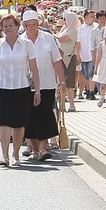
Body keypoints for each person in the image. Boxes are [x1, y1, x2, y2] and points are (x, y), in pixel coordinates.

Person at [0, 13, 40, 167]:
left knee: (19, 123)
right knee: (4, 122)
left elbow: (34, 69)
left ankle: (16, 154)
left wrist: (37, 91)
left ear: (17, 27)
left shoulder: (27, 44)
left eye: (11, 25)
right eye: (5, 26)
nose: (8, 28)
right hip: (3, 87)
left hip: (22, 87)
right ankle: (4, 154)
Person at [22, 10, 64, 161]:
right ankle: (34, 148)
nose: (32, 27)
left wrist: (62, 81)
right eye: (29, 25)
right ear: (24, 26)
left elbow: (57, 60)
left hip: (47, 83)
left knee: (44, 114)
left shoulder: (48, 38)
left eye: (34, 24)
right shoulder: (21, 40)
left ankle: (43, 147)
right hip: (27, 84)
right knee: (30, 116)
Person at [55, 11, 79, 111]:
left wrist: (52, 34)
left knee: (69, 83)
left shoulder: (73, 31)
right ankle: (62, 105)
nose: (64, 21)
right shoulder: (65, 29)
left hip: (69, 57)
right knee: (61, 82)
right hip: (61, 57)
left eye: (66, 19)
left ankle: (72, 105)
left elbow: (61, 39)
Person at [77, 10, 99, 100]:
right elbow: (78, 43)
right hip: (84, 54)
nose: (93, 18)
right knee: (85, 74)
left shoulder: (96, 27)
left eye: (94, 16)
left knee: (91, 73)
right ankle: (88, 90)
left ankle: (91, 91)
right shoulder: (81, 29)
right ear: (86, 18)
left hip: (93, 55)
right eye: (91, 16)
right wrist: (78, 54)